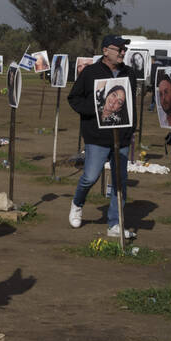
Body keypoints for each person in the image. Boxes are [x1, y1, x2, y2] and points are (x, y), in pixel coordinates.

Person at [67, 35, 139, 239]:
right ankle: (77, 203)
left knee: (120, 181)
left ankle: (115, 224)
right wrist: (95, 110)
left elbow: (131, 104)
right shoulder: (90, 72)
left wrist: (132, 128)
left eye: (125, 49)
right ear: (106, 50)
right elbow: (74, 98)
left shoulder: (129, 73)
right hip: (96, 136)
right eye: (120, 49)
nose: (123, 52)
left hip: (122, 137)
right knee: (90, 176)